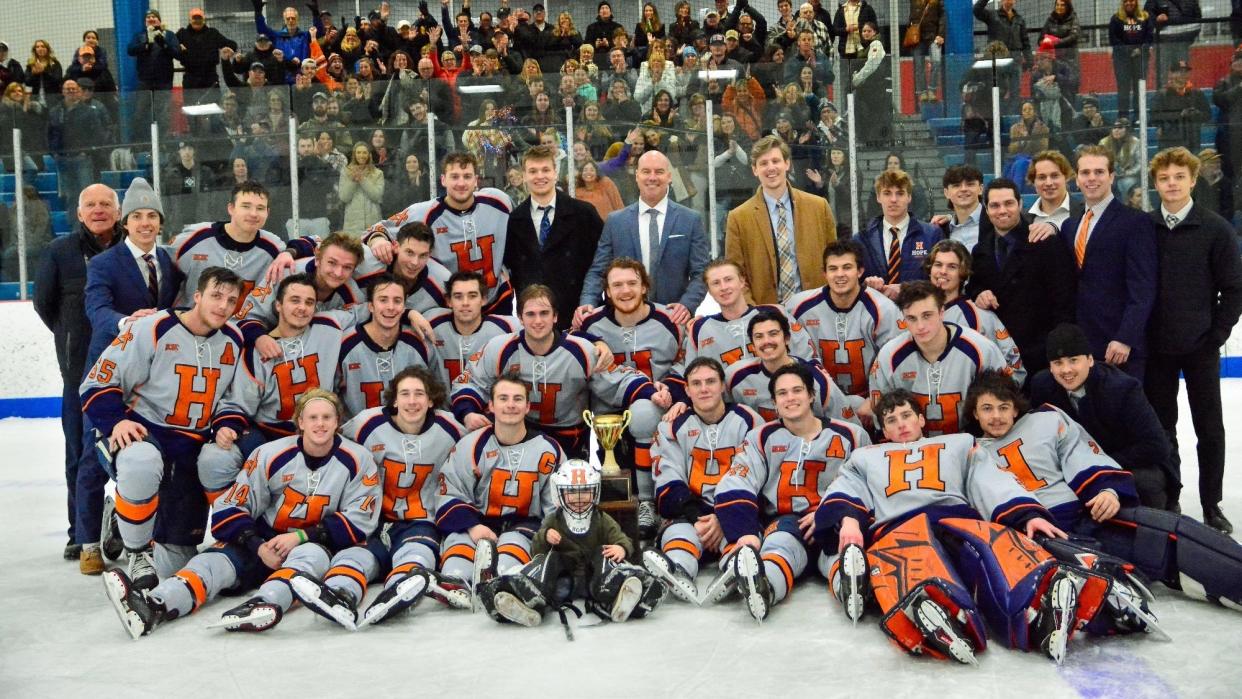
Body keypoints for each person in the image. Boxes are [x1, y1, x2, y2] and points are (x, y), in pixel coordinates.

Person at [815, 388, 1102, 665]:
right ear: (884, 431)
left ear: (921, 419)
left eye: (906, 415)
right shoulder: (864, 457)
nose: (901, 425)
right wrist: (850, 521)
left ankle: (1036, 610)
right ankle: (935, 610)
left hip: (957, 519)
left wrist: (1027, 514)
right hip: (900, 528)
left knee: (994, 550)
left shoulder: (960, 443)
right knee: (916, 560)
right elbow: (846, 487)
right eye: (891, 420)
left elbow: (989, 479)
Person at [101, 388, 380, 638]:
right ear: (300, 422)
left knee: (309, 558)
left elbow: (360, 520)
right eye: (313, 417)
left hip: (315, 542)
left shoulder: (358, 459)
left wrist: (299, 537)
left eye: (327, 417)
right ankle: (153, 607)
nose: (320, 424)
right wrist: (257, 546)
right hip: (264, 541)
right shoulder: (269, 454)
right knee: (209, 564)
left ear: (337, 422)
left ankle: (264, 602)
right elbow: (230, 507)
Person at [970, 370, 1242, 615]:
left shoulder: (1046, 420)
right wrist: (1024, 518)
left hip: (1088, 515)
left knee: (1169, 532)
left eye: (1003, 407)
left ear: (1015, 409)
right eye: (987, 408)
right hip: (1043, 540)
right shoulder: (970, 452)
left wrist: (1107, 489)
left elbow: (1079, 453)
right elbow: (985, 493)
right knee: (1140, 565)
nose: (996, 416)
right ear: (975, 413)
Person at [81, 267, 245, 593]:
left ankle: (121, 519)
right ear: (197, 296)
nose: (223, 306)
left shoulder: (234, 340)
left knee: (176, 565)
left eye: (231, 300)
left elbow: (231, 399)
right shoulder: (153, 327)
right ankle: (137, 551)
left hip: (188, 446)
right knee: (141, 463)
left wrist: (227, 424)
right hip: (142, 431)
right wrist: (117, 421)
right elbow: (97, 382)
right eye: (215, 296)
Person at [706, 363, 870, 621]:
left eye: (797, 390)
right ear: (774, 401)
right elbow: (737, 480)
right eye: (782, 393)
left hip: (835, 520)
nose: (790, 398)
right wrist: (746, 533)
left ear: (811, 395)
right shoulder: (760, 437)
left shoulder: (851, 434)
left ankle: (851, 588)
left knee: (843, 551)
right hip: (786, 522)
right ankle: (763, 588)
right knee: (779, 545)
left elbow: (864, 482)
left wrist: (831, 513)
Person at [1145, 147, 1242, 533]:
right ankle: (1170, 497)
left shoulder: (1215, 228)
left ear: (1193, 179)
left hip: (1200, 346)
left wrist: (1216, 335)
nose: (1171, 184)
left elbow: (1234, 289)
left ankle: (1211, 504)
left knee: (1209, 427)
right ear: (1155, 183)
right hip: (1156, 348)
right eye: (1164, 178)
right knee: (1161, 426)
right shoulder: (1145, 227)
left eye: (1179, 177)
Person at [337, 367, 471, 627]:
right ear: (394, 399)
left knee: (417, 555)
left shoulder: (450, 427)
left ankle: (399, 591)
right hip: (373, 519)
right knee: (357, 557)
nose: (412, 401)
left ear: (431, 400)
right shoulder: (367, 423)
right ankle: (341, 593)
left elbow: (474, 456)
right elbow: (335, 448)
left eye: (419, 394)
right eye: (405, 394)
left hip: (420, 520)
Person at [198, 273, 347, 501]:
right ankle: (229, 521)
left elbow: (374, 309)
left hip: (318, 430)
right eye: (294, 300)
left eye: (309, 302)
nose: (302, 308)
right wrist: (226, 426)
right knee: (214, 458)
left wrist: (409, 312)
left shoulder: (330, 327)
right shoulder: (258, 350)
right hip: (269, 434)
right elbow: (238, 402)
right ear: (278, 305)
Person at [33, 184, 121, 563]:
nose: (99, 210)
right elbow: (45, 305)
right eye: (91, 205)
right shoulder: (59, 252)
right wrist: (72, 338)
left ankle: (130, 526)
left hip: (126, 371)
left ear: (118, 212)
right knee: (78, 452)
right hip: (79, 374)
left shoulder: (128, 250)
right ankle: (79, 531)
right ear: (79, 213)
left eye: (106, 204)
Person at [480, 457, 666, 626]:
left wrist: (621, 548)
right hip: (561, 585)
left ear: (595, 492)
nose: (579, 498)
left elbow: (622, 539)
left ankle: (621, 598)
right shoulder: (553, 519)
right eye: (572, 492)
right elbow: (535, 552)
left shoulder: (602, 519)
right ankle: (529, 603)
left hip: (597, 583)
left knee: (603, 552)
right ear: (559, 493)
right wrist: (545, 536)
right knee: (550, 559)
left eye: (585, 491)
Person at [436, 371, 564, 597]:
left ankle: (502, 588)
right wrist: (472, 526)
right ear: (491, 406)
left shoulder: (548, 450)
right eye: (503, 399)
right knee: (455, 572)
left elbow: (555, 507)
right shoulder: (470, 446)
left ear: (527, 407)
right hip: (476, 524)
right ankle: (460, 590)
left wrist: (551, 536)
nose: (510, 405)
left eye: (517, 399)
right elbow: (450, 492)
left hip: (523, 527)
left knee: (507, 568)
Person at [645, 357, 763, 603]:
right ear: (686, 390)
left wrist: (725, 516)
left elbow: (757, 476)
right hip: (691, 516)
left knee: (740, 535)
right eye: (696, 383)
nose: (704, 388)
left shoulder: (749, 421)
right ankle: (678, 570)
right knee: (678, 534)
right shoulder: (672, 426)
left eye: (710, 381)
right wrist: (699, 518)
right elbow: (668, 482)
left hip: (734, 509)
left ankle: (738, 572)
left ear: (723, 386)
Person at [1030, 323, 1173, 509]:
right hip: (1075, 467)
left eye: (1073, 360)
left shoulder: (1123, 388)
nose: (1066, 370)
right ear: (1050, 367)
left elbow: (1156, 446)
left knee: (1147, 483)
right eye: (1058, 363)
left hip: (1127, 463)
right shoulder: (1042, 386)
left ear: (1090, 360)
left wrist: (1099, 466)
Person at [365, 152, 515, 316]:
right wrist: (378, 240)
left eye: (467, 176)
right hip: (451, 307)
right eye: (455, 176)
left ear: (476, 180)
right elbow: (379, 228)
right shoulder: (424, 212)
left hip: (497, 302)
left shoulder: (500, 202)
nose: (461, 183)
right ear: (443, 180)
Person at [578, 150, 710, 327]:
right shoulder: (616, 221)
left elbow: (701, 272)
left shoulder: (690, 219)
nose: (652, 177)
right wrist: (588, 302)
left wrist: (686, 306)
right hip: (624, 321)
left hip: (674, 320)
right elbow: (598, 270)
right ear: (637, 175)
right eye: (646, 171)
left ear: (669, 177)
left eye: (659, 172)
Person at [1059, 145, 1157, 380]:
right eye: (1085, 172)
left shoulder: (1135, 222)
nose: (1092, 178)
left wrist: (1125, 337)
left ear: (1112, 177)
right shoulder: (1070, 226)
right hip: (1081, 346)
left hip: (1119, 347)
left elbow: (1143, 288)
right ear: (1076, 178)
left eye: (1099, 172)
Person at [967, 178, 1077, 380]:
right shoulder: (980, 250)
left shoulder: (1044, 243)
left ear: (1020, 204)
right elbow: (974, 285)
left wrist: (1058, 350)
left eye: (1008, 203)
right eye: (995, 205)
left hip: (1039, 354)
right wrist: (979, 293)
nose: (1002, 210)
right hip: (998, 352)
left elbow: (1064, 301)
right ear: (987, 209)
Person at [869, 282, 1011, 435]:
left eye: (927, 315)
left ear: (942, 312)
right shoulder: (889, 356)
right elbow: (882, 419)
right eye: (911, 318)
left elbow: (1005, 402)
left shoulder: (980, 349)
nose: (920, 326)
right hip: (912, 449)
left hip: (971, 445)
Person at [724, 135, 837, 307]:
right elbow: (736, 274)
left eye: (776, 161)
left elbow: (834, 261)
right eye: (763, 163)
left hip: (817, 312)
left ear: (787, 164)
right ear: (754, 170)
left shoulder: (819, 207)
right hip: (765, 318)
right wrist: (754, 312)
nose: (771, 168)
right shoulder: (738, 217)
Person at [505, 145, 604, 331]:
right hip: (535, 324)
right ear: (524, 176)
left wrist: (590, 303)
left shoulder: (584, 214)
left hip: (579, 319)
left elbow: (602, 261)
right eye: (533, 171)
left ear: (555, 173)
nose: (539, 176)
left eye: (545, 170)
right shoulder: (514, 220)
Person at [785, 240, 900, 398]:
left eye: (847, 267)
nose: (840, 274)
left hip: (869, 399)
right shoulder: (798, 307)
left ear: (860, 271)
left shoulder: (883, 309)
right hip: (818, 397)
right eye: (833, 268)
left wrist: (876, 398)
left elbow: (895, 361)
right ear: (824, 273)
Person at [170, 181, 284, 320]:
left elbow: (312, 249)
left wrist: (290, 253)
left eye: (260, 208)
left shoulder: (275, 247)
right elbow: (159, 268)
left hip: (243, 332)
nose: (254, 214)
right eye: (246, 206)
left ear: (268, 212)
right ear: (231, 208)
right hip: (189, 327)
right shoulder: (194, 237)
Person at [679, 259, 817, 373]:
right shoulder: (700, 329)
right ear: (708, 290)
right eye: (716, 283)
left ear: (742, 281)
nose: (723, 287)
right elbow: (691, 375)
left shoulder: (775, 313)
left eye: (728, 279)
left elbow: (808, 357)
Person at [724, 310, 859, 423]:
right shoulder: (735, 376)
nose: (767, 341)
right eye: (759, 337)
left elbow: (848, 425)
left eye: (773, 334)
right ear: (753, 345)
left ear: (787, 338)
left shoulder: (816, 378)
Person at [336, 274, 437, 419]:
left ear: (404, 307)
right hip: (355, 436)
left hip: (408, 432)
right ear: (370, 306)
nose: (390, 307)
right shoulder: (346, 344)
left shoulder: (419, 342)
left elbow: (434, 393)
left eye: (397, 301)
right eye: (383, 300)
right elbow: (330, 394)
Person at [925, 240, 1025, 385]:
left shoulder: (979, 316)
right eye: (938, 264)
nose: (943, 271)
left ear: (963, 273)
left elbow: (1015, 368)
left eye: (952, 266)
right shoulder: (914, 313)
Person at [857, 170, 943, 299]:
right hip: (877, 314)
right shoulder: (862, 239)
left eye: (900, 193)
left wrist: (906, 289)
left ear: (909, 197)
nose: (893, 199)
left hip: (918, 311)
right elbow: (853, 282)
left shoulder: (932, 234)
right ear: (878, 197)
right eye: (887, 193)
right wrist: (865, 284)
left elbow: (941, 279)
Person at [425, 271, 519, 389]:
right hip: (440, 406)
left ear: (484, 299)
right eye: (458, 296)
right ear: (449, 301)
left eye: (472, 296)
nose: (465, 303)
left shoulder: (506, 327)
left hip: (486, 406)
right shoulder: (432, 322)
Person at [973, 0, 1031, 106]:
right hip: (998, 60)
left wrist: (1029, 60)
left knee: (1015, 90)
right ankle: (997, 114)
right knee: (998, 88)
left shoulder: (1020, 19)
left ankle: (1014, 115)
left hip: (1015, 59)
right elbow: (976, 10)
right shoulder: (992, 15)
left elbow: (1025, 41)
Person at [1151, 60, 1209, 153]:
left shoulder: (1197, 93)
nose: (1183, 74)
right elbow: (1154, 117)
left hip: (1192, 141)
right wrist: (1180, 114)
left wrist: (1196, 114)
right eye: (1179, 71)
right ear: (1171, 74)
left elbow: (1207, 115)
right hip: (1169, 143)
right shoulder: (1162, 94)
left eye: (1185, 72)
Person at [1110, 0, 1154, 120]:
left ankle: (1139, 117)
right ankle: (1123, 119)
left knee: (1139, 87)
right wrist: (1130, 51)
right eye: (1126, 1)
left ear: (1136, 2)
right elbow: (1113, 39)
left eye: (1132, 1)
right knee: (1123, 89)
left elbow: (1150, 36)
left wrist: (1141, 50)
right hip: (1122, 60)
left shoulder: (1145, 17)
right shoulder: (1116, 18)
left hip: (1140, 58)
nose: (1129, 3)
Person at [177, 7, 237, 91]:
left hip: (210, 79)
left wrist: (230, 49)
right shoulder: (182, 34)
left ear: (204, 20)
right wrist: (178, 47)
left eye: (199, 18)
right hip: (191, 80)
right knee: (191, 104)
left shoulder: (213, 33)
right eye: (194, 18)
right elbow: (171, 47)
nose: (197, 20)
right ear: (189, 20)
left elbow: (231, 44)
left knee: (212, 103)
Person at [1025, 150, 1084, 231]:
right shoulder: (1024, 221)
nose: (1048, 183)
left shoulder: (1084, 213)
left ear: (1066, 177)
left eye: (1054, 176)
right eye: (1042, 177)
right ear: (1033, 181)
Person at [1145, 0, 1201, 80]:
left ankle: (1182, 91)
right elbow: (1146, 17)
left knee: (1181, 74)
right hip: (1162, 45)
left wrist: (1187, 40)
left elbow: (1197, 21)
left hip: (1182, 44)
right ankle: (1163, 91)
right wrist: (1156, 19)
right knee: (1162, 73)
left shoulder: (1191, 2)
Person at [338, 142, 385, 235]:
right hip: (352, 225)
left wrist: (363, 179)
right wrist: (353, 181)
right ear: (354, 154)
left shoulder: (378, 173)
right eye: (358, 152)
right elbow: (344, 197)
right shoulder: (345, 172)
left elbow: (376, 196)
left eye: (364, 152)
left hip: (373, 224)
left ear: (369, 155)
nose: (361, 155)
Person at [938, 164, 984, 251]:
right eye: (956, 185)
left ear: (981, 189)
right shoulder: (940, 230)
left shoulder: (994, 222)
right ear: (946, 193)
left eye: (970, 184)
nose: (963, 189)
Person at [909, 0, 946, 103]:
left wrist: (941, 34)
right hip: (917, 36)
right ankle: (922, 92)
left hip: (933, 35)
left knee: (937, 61)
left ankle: (932, 89)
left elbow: (943, 17)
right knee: (919, 66)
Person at [1192, 149, 1235, 223]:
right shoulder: (1192, 183)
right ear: (1201, 165)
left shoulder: (1225, 183)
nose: (1217, 165)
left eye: (1218, 162)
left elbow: (1229, 209)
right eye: (1212, 163)